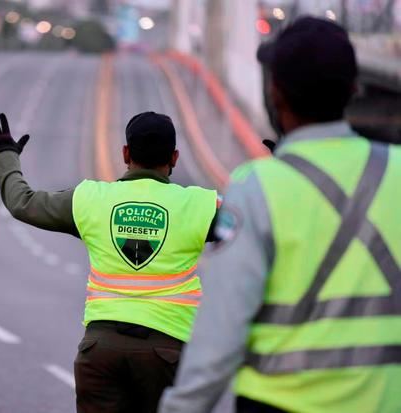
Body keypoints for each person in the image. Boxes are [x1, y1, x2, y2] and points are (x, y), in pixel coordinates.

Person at [159, 16, 401, 413]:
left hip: (281, 402)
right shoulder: (396, 172)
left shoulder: (256, 187)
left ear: (276, 92)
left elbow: (222, 328)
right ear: (355, 88)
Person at [0, 111, 219, 413]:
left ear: (126, 153)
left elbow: (22, 202)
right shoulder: (201, 205)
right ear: (175, 157)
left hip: (99, 352)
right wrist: (293, 176)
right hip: (166, 354)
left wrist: (4, 156)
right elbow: (266, 218)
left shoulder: (90, 199)